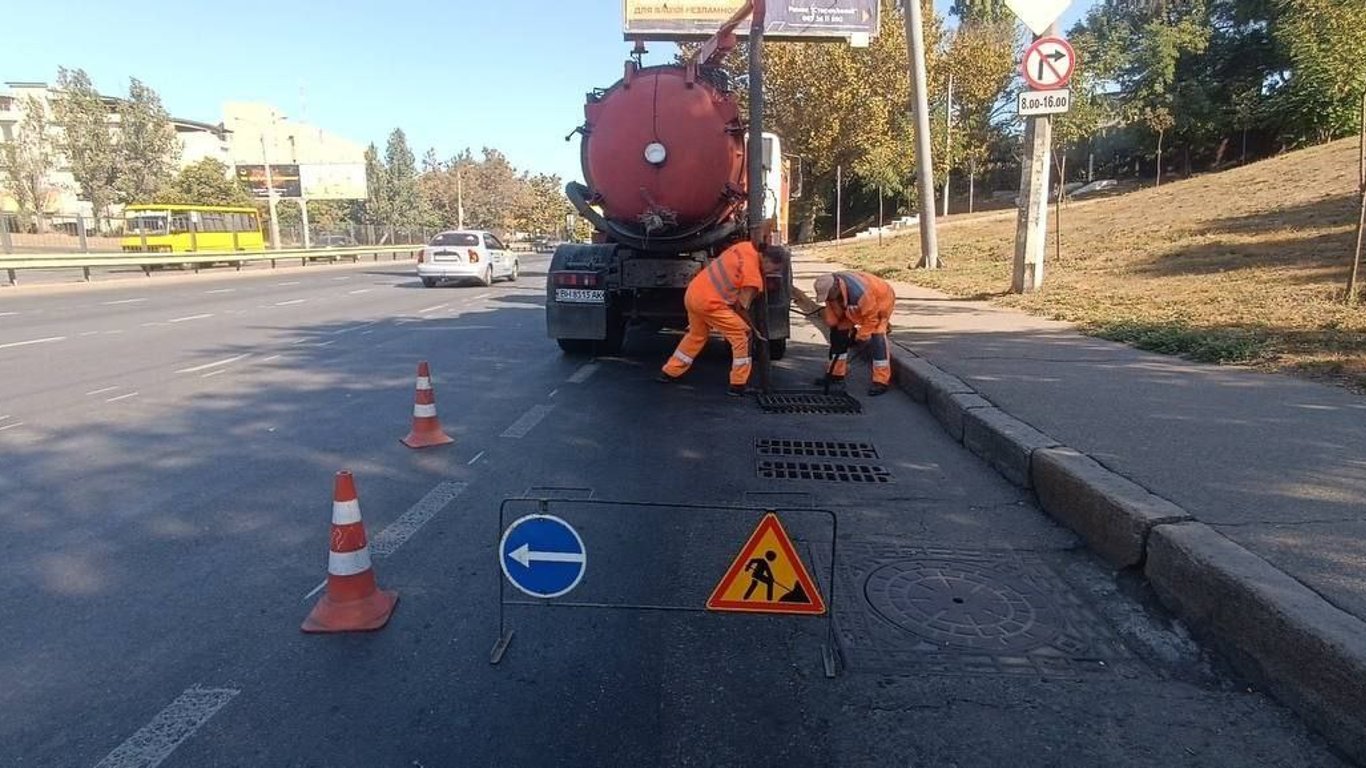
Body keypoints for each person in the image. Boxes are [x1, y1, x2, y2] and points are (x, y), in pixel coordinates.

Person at [658, 237, 766, 396]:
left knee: (697, 334)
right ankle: (738, 384)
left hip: (693, 295)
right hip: (709, 303)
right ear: (767, 260)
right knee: (742, 334)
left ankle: (670, 371)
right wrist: (753, 329)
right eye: (770, 268)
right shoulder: (753, 272)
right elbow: (742, 307)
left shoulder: (743, 247)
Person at [812, 271, 896, 396]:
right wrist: (837, 332)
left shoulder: (860, 293)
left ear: (836, 286)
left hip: (880, 301)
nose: (828, 298)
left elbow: (871, 320)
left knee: (877, 336)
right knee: (838, 335)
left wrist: (859, 336)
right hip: (855, 307)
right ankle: (836, 374)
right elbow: (834, 317)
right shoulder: (831, 291)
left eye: (829, 295)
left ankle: (881, 381)